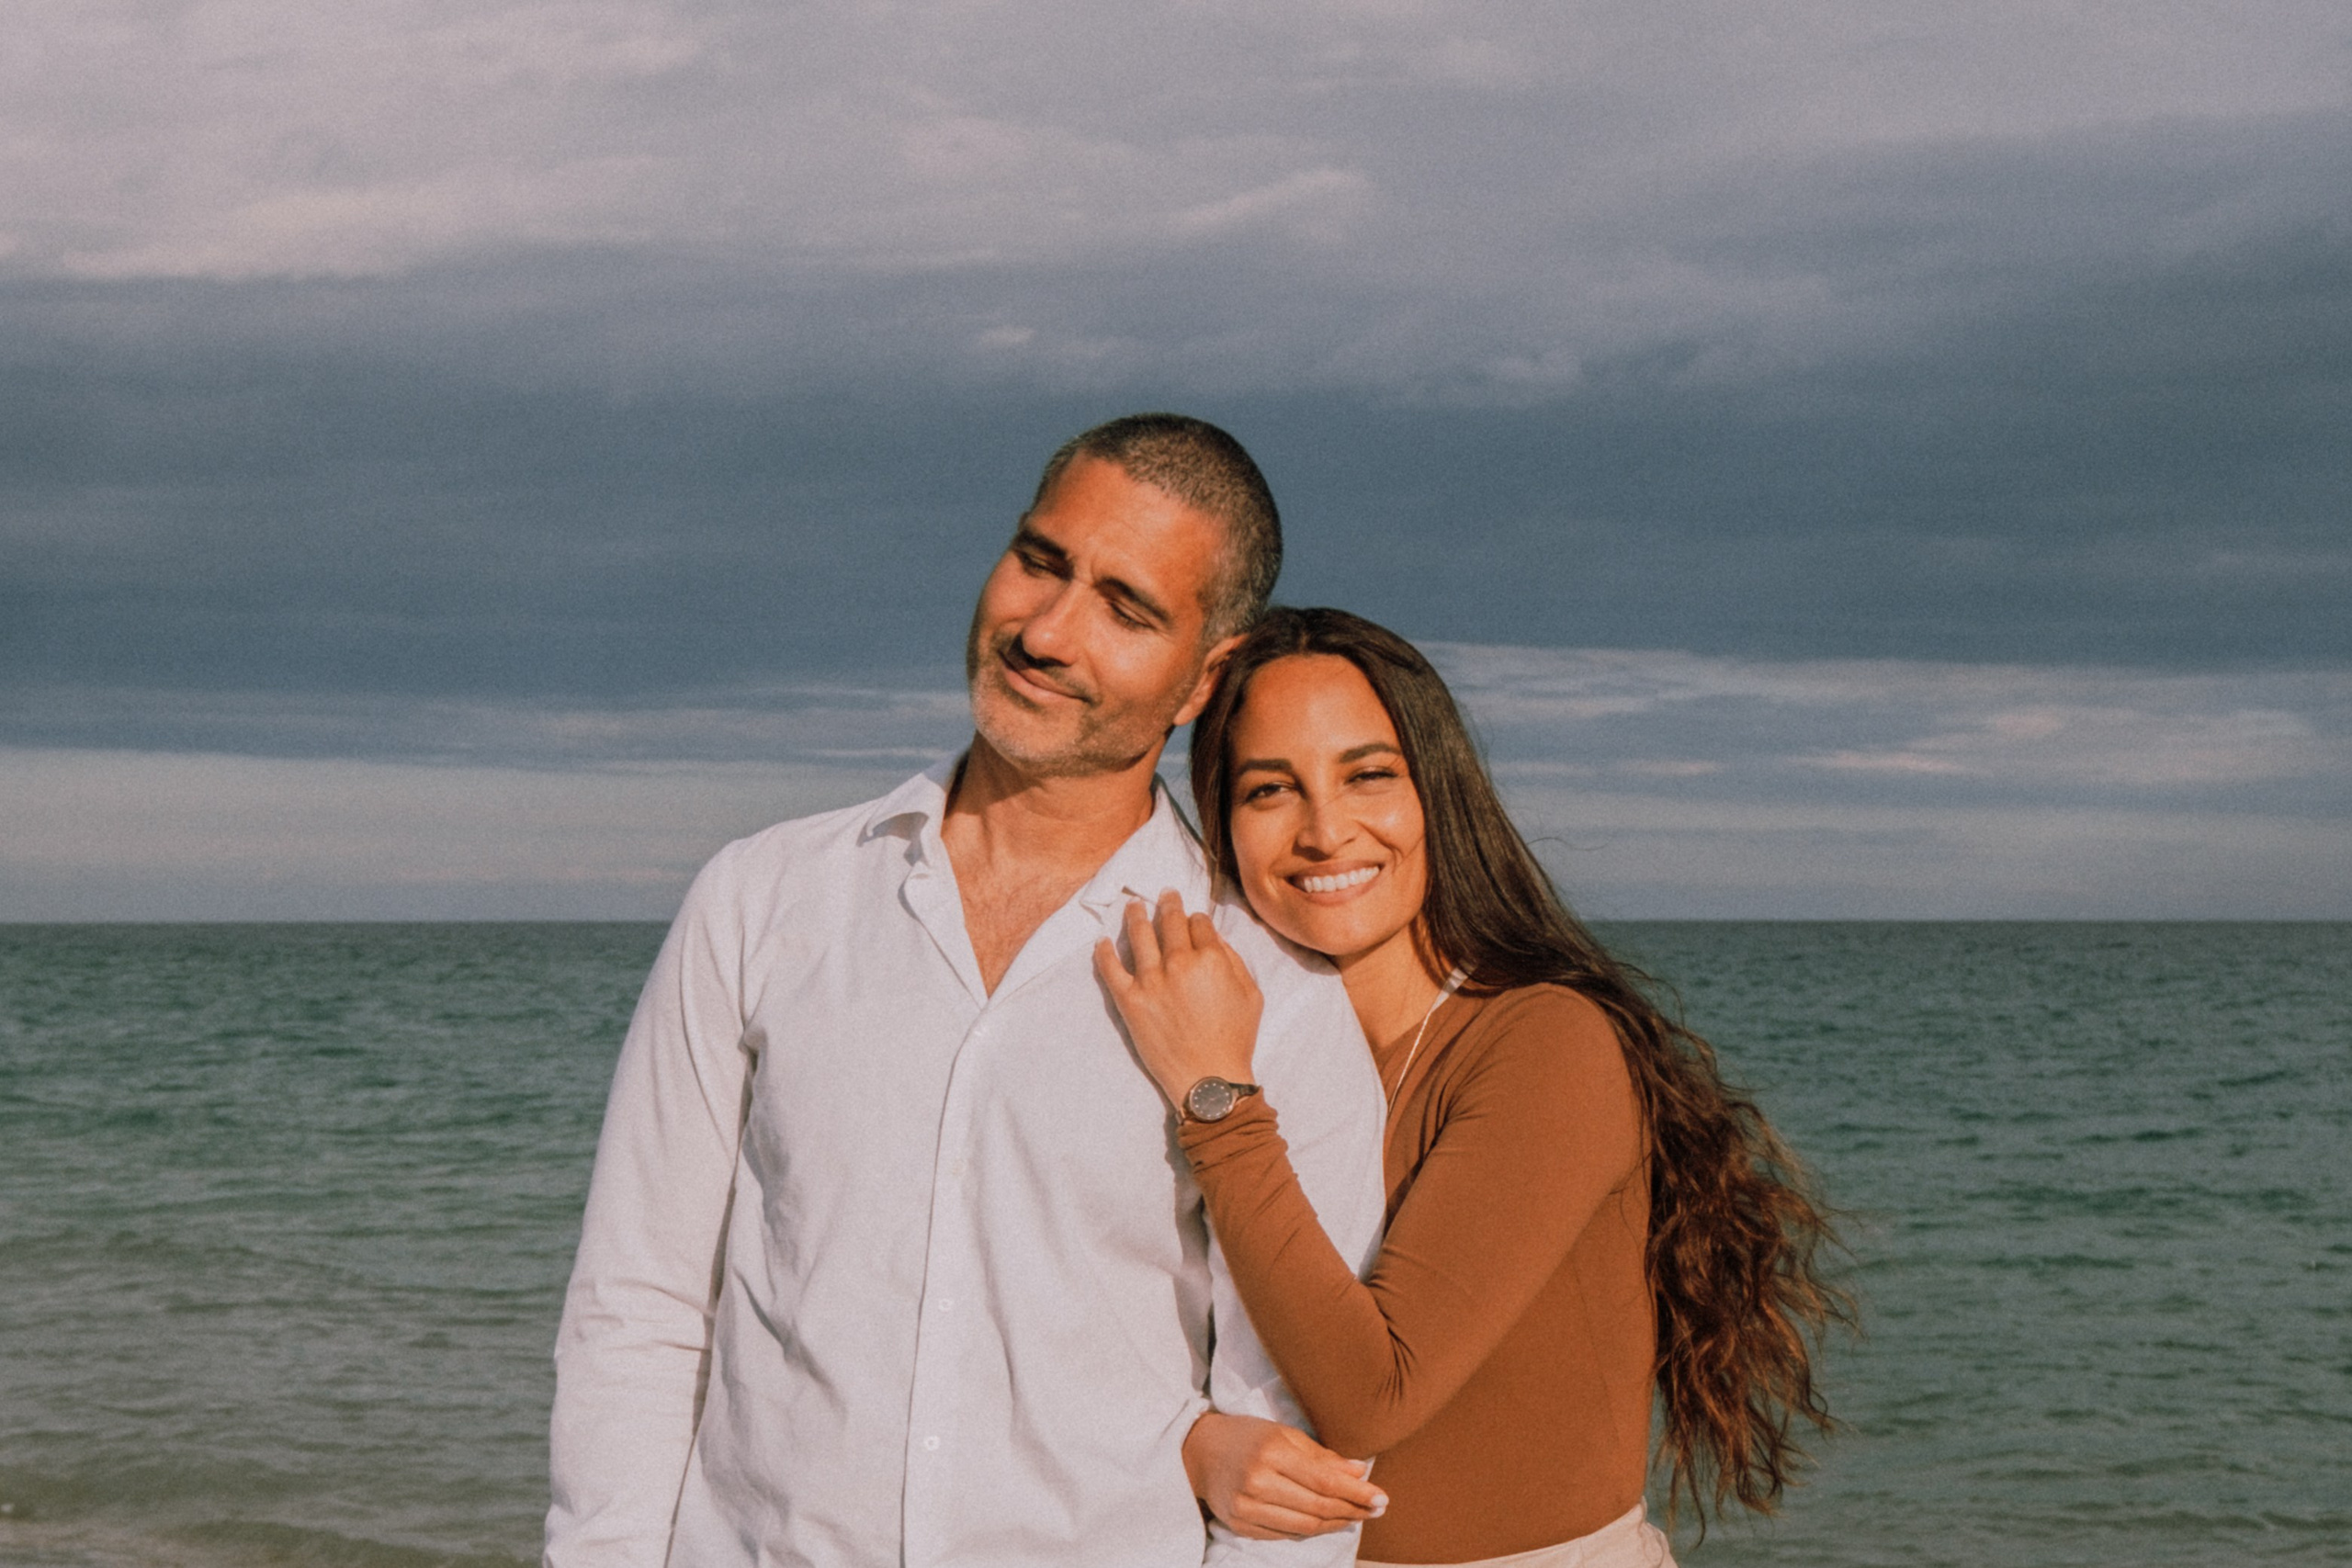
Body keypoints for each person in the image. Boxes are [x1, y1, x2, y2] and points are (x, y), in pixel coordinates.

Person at [545, 419, 1390, 1568]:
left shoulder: (1274, 1001)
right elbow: (638, 1310)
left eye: (1125, 608)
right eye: (1041, 562)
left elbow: (1290, 1443)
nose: (1047, 632)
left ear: (1203, 677)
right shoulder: (762, 899)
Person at [1098, 607, 1849, 1567]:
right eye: (1268, 790)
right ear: (1223, 824)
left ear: (1437, 793)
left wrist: (1212, 1094)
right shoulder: (1250, 1045)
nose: (1326, 832)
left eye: (1368, 775)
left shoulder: (1543, 1041)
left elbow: (1377, 1392)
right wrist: (1193, 1447)